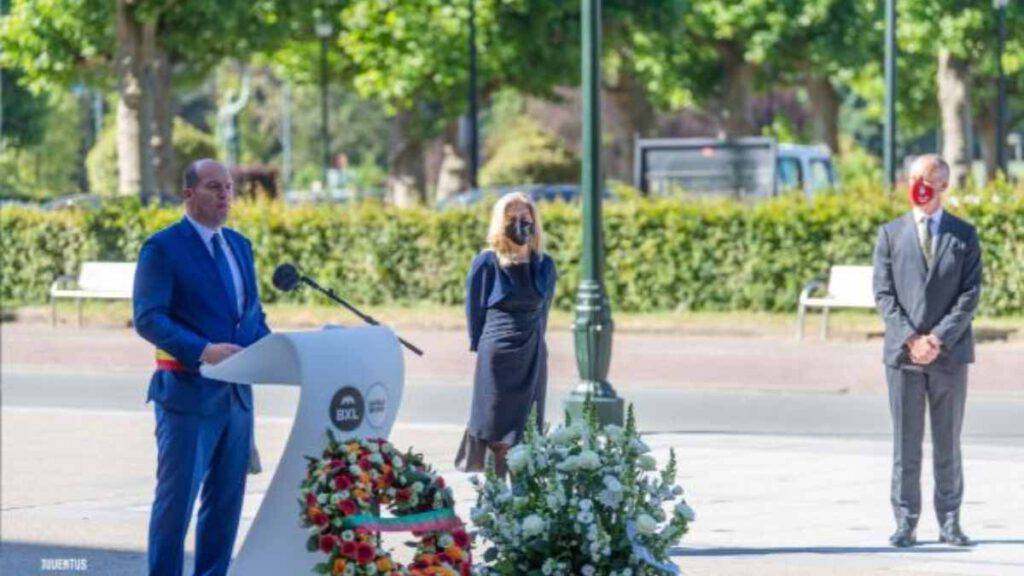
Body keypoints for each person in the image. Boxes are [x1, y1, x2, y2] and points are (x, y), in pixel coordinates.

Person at [134, 158, 271, 575]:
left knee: (226, 505)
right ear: (188, 194)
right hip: (187, 395)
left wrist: (284, 351)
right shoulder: (163, 248)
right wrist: (202, 350)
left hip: (236, 398)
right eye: (214, 187)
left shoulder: (240, 246)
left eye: (229, 187)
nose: (225, 194)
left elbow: (252, 319)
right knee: (176, 506)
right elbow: (149, 318)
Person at [872, 154, 982, 548]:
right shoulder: (890, 234)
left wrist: (936, 338)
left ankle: (950, 522)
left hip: (949, 356)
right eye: (915, 176)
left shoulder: (964, 235)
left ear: (944, 186)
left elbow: (970, 294)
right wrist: (911, 339)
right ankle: (905, 522)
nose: (919, 183)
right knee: (906, 443)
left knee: (947, 442)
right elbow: (884, 295)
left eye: (929, 178)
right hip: (903, 357)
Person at [457, 192, 557, 477]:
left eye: (525, 218)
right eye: (511, 218)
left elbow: (544, 311)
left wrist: (538, 345)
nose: (519, 223)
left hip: (532, 353)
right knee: (494, 427)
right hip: (497, 355)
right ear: (500, 223)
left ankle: (523, 494)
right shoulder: (487, 263)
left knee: (527, 429)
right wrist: (480, 347)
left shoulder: (544, 265)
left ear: (534, 222)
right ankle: (495, 496)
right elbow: (474, 311)